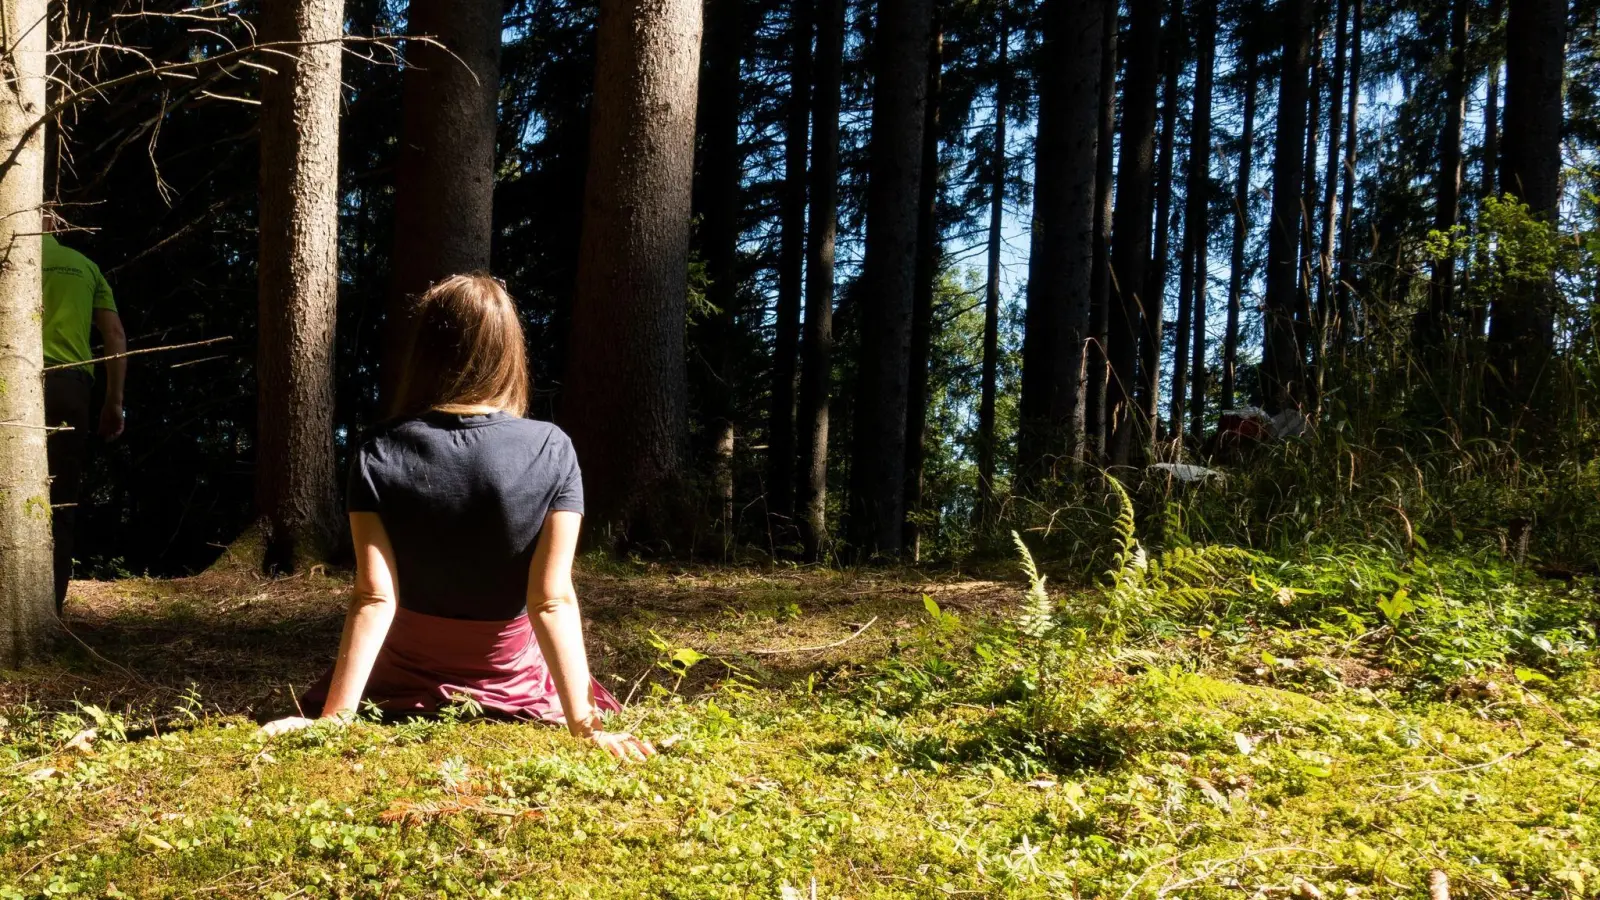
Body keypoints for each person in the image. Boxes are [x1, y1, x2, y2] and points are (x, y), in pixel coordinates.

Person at [258, 274, 653, 762]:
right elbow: (551, 600)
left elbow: (374, 596)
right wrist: (587, 725)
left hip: (403, 677)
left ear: (426, 349)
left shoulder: (378, 449)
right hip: (511, 677)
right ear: (510, 350)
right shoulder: (551, 447)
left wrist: (335, 718)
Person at [41, 212, 127, 614]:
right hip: (70, 388)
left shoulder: (7, 257)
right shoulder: (86, 267)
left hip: (13, 379)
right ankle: (50, 611)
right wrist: (114, 401)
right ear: (54, 226)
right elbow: (113, 334)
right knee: (61, 500)